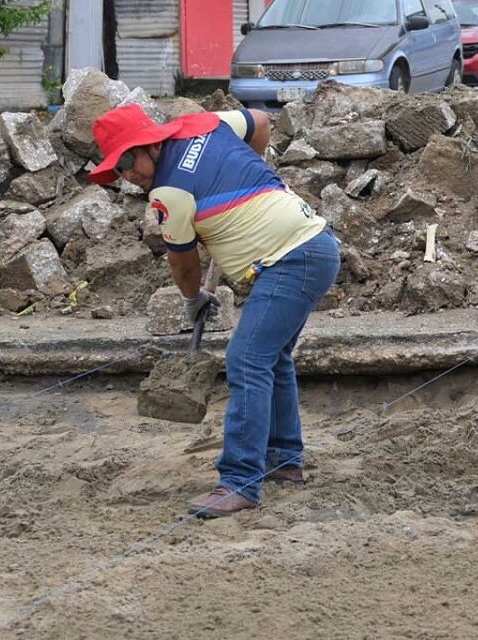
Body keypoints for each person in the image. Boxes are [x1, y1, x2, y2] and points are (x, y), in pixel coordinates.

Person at [89, 104, 340, 518]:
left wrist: (193, 301)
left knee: (246, 360)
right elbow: (259, 121)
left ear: (151, 145)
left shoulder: (168, 193)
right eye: (118, 170)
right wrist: (250, 172)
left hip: (293, 257)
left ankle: (240, 482)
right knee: (271, 359)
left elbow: (182, 263)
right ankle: (283, 460)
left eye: (129, 160)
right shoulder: (206, 124)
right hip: (314, 247)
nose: (128, 175)